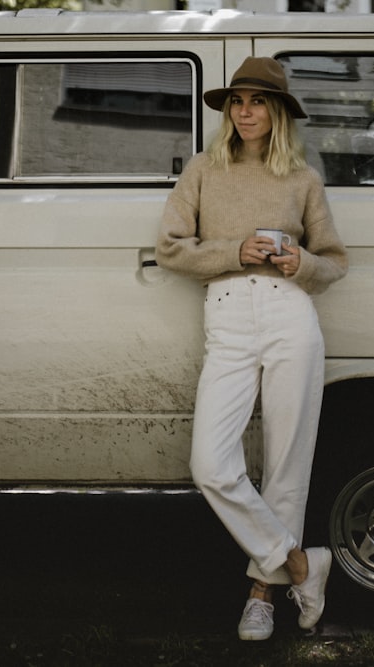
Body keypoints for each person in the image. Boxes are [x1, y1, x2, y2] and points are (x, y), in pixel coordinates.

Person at [155, 56, 348, 641]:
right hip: (230, 318)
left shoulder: (303, 179)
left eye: (258, 101)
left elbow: (335, 261)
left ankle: (262, 595)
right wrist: (235, 251)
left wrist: (301, 262)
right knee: (211, 465)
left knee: (288, 464)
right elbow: (170, 248)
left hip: (291, 315)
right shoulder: (203, 170)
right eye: (237, 101)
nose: (245, 111)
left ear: (279, 112)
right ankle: (297, 563)